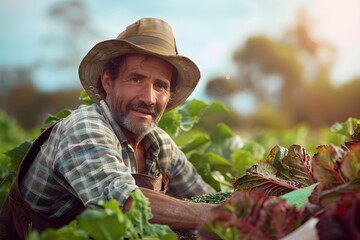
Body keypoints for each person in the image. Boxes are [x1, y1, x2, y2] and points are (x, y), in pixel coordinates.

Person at [0, 18, 216, 239]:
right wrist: (218, 217)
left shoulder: (159, 145)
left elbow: (205, 197)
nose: (149, 98)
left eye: (160, 85)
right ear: (107, 81)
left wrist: (240, 209)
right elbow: (123, 201)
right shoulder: (83, 128)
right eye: (136, 79)